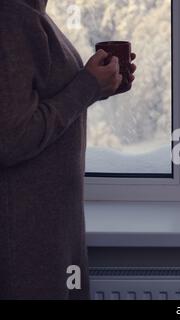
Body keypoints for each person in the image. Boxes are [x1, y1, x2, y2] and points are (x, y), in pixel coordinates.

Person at [0, 0, 136, 299]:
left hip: (49, 227)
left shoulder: (33, 14)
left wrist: (99, 87)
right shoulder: (11, 17)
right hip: (25, 237)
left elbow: (41, 105)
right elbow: (11, 138)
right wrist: (87, 86)